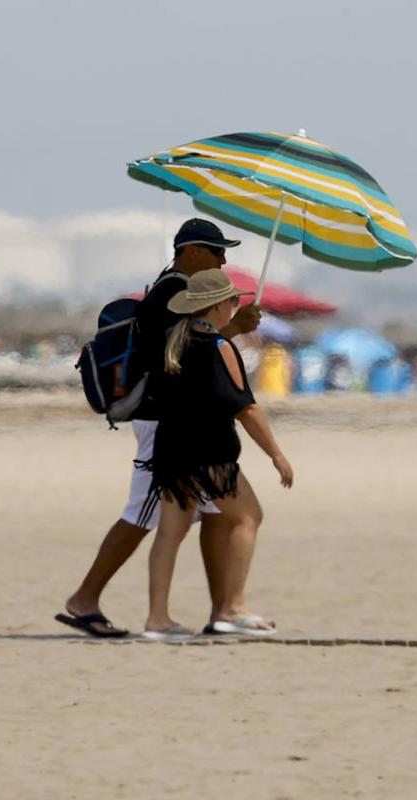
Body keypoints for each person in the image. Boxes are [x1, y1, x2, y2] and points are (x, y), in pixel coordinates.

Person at [57, 218, 269, 638]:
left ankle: (222, 610)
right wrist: (236, 327)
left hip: (174, 422)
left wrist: (232, 327)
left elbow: (188, 344)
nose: (224, 260)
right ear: (190, 251)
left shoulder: (168, 289)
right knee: (143, 515)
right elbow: (187, 350)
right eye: (216, 251)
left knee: (211, 514)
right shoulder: (174, 291)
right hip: (163, 421)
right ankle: (86, 600)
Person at [139, 268, 293, 639]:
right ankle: (231, 607)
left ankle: (157, 619)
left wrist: (236, 329)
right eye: (233, 301)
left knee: (170, 534)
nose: (236, 305)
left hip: (171, 451)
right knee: (248, 517)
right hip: (210, 453)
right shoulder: (220, 348)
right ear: (218, 306)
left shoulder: (173, 342)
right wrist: (276, 454)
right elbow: (247, 408)